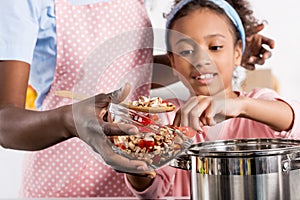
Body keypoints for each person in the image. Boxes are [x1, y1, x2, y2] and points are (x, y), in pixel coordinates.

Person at [0, 0, 274, 198]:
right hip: (66, 186)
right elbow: (5, 123)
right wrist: (69, 120)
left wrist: (221, 57)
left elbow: (131, 68)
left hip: (139, 183)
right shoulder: (27, 4)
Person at [124, 0, 300, 199]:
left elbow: (295, 121)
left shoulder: (259, 101)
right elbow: (154, 191)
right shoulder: (166, 117)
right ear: (172, 61)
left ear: (237, 53)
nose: (200, 59)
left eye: (215, 47)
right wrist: (136, 168)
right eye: (186, 51)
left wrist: (241, 106)